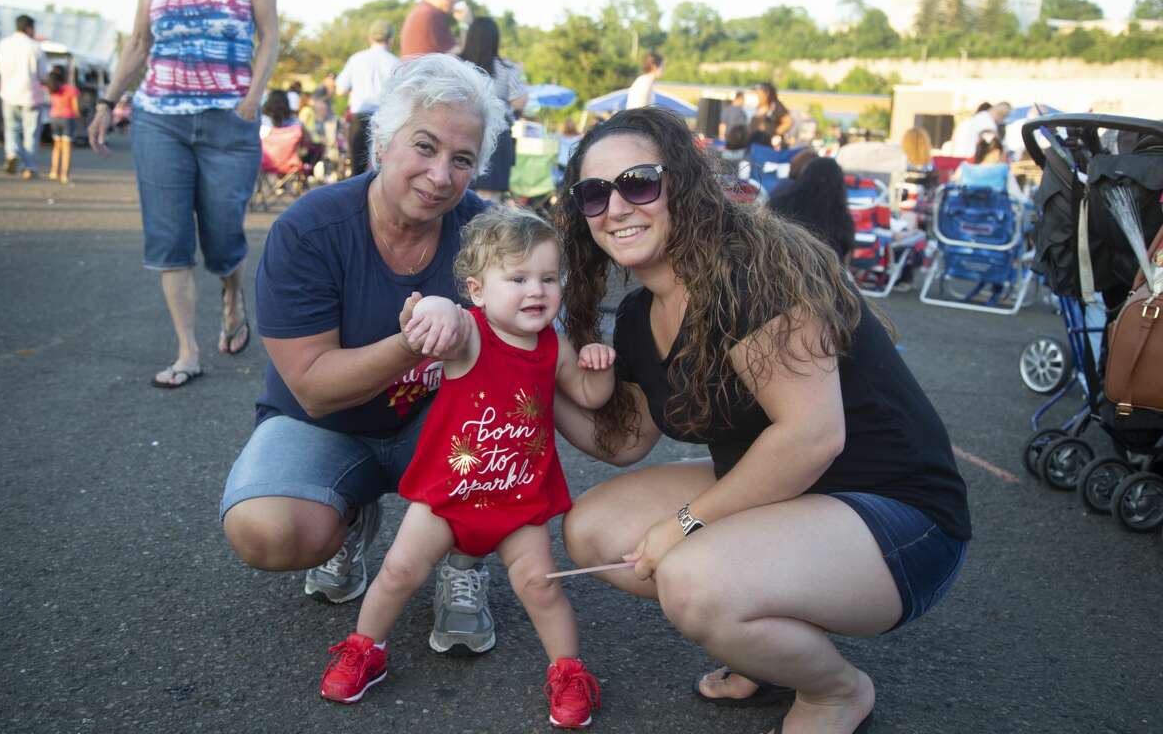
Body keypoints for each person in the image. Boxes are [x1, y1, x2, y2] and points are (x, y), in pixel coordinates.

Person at [553, 107, 971, 734]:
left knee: (692, 578)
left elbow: (812, 437)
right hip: (794, 500)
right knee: (594, 533)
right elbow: (626, 440)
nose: (616, 207)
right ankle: (768, 649)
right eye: (594, 193)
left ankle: (835, 691)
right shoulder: (640, 315)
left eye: (639, 182)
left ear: (683, 184)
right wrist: (530, 377)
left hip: (897, 514)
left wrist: (685, 525)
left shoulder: (756, 272)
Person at [220, 54, 513, 664]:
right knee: (265, 530)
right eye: (425, 147)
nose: (440, 174)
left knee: (507, 424)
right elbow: (314, 388)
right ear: (383, 142)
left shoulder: (486, 236)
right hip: (324, 425)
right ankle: (348, 520)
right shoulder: (311, 229)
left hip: (437, 432)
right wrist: (413, 343)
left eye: (462, 160)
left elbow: (530, 352)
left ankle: (463, 565)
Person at [319, 206, 612, 729]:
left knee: (541, 585)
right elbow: (443, 318)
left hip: (518, 503)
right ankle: (366, 648)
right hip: (446, 497)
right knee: (398, 572)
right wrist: (433, 307)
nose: (536, 291)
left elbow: (589, 395)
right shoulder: (470, 334)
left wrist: (598, 362)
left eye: (548, 278)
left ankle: (569, 671)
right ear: (478, 291)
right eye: (517, 278)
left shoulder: (553, 346)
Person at [87, 0, 279, 389]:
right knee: (168, 236)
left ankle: (233, 296)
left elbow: (269, 33)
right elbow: (138, 42)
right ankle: (187, 351)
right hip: (158, 119)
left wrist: (253, 98)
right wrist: (106, 102)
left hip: (227, 120)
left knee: (223, 234)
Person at [458, 16, 527, 200]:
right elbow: (521, 100)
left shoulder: (457, 66)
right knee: (488, 203)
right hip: (497, 136)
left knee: (456, 194)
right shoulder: (505, 69)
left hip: (461, 134)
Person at [337, 19, 399, 176]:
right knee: (384, 170)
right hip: (386, 121)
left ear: (369, 38)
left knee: (356, 171)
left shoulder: (356, 59)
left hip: (360, 118)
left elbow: (340, 89)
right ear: (391, 39)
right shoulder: (395, 62)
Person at [767, 157, 855, 263]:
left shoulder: (779, 202)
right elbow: (844, 260)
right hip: (823, 275)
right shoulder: (842, 219)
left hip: (780, 268)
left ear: (805, 175)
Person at [0, 14, 49, 179]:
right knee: (30, 133)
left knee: (11, 129)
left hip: (9, 94)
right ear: (29, 29)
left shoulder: (4, 44)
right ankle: (29, 167)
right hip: (31, 96)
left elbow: (0, 69)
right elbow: (42, 74)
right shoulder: (35, 47)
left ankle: (12, 153)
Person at [400, 0, 469, 58]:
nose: (457, 0)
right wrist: (465, 24)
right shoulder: (433, 16)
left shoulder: (419, 11)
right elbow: (459, 54)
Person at [46, 66, 80, 184]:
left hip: (54, 118)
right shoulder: (71, 89)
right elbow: (75, 108)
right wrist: (79, 118)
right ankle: (64, 174)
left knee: (56, 147)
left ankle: (53, 171)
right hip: (67, 119)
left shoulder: (52, 88)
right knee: (66, 149)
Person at [748, 82, 792, 148]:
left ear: (767, 94)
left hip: (770, 146)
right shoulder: (757, 107)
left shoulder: (776, 106)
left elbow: (788, 122)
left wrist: (774, 133)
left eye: (758, 93)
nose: (756, 95)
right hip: (755, 144)